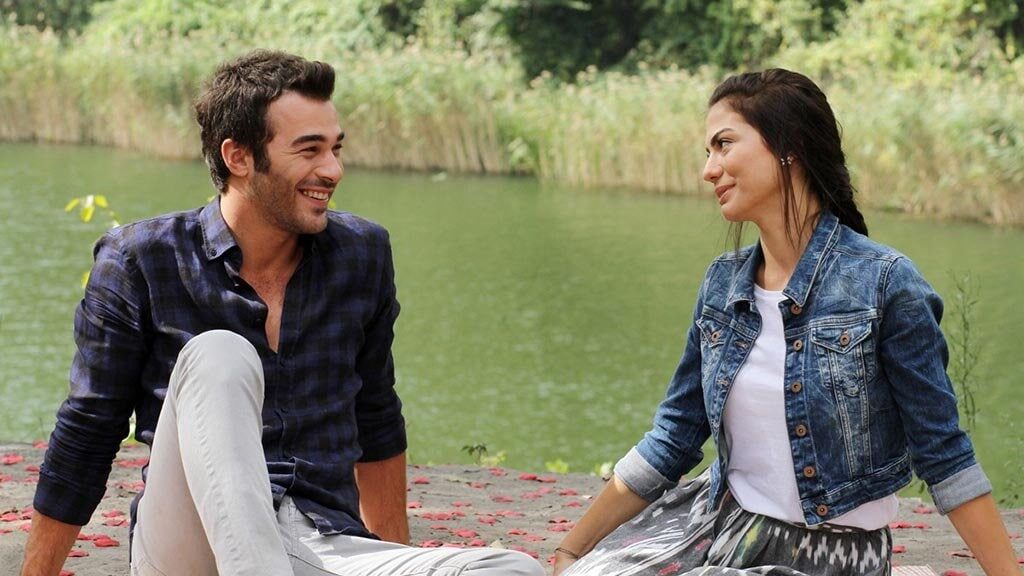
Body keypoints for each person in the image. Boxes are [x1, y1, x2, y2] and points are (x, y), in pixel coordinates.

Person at [21, 49, 544, 576]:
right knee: (219, 354)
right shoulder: (143, 259)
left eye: (336, 148)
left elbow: (377, 419)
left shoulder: (362, 253)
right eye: (309, 149)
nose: (333, 170)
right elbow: (88, 430)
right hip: (190, 550)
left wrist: (397, 557)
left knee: (511, 569)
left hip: (323, 543)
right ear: (238, 157)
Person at [551, 69, 1021, 576]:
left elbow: (943, 454)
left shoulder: (885, 284)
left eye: (723, 145)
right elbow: (674, 436)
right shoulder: (723, 284)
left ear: (788, 148)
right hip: (719, 530)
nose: (709, 170)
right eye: (707, 152)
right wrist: (573, 550)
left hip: (832, 558)